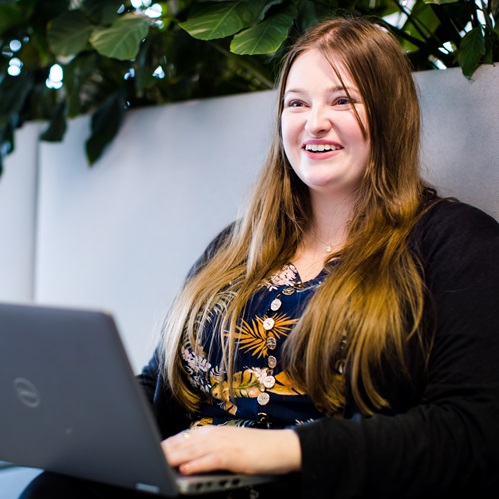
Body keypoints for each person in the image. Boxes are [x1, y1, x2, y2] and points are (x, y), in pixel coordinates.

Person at [19, 14, 499, 499]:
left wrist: (283, 450)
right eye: (297, 103)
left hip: (316, 485)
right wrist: (93, 431)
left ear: (390, 114)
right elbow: (161, 384)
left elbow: (472, 433)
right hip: (193, 486)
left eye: (342, 101)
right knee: (54, 488)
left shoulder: (455, 243)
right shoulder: (237, 245)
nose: (315, 122)